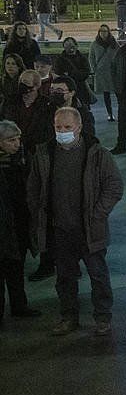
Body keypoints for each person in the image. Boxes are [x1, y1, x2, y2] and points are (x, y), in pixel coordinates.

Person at [29, 107, 124, 336]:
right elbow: (33, 188)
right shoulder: (44, 153)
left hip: (90, 229)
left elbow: (114, 186)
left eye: (67, 127)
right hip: (59, 229)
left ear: (79, 128)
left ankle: (102, 317)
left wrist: (97, 214)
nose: (62, 132)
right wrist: (40, 215)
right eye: (58, 127)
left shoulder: (98, 153)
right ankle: (68, 316)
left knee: (98, 275)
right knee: (64, 277)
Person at [0, 120, 38, 321]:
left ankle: (19, 306)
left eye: (18, 139)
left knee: (17, 266)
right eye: (10, 140)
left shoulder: (23, 159)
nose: (16, 144)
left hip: (19, 222)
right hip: (4, 224)